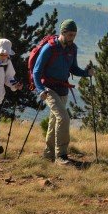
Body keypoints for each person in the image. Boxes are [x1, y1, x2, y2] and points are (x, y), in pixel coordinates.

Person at [32, 19, 93, 164]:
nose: (72, 37)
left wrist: (86, 73)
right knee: (64, 118)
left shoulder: (73, 49)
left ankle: (48, 154)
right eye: (70, 35)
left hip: (63, 89)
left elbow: (73, 69)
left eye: (74, 35)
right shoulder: (49, 48)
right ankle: (61, 155)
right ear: (63, 32)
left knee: (55, 121)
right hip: (48, 89)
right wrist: (40, 90)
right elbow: (36, 72)